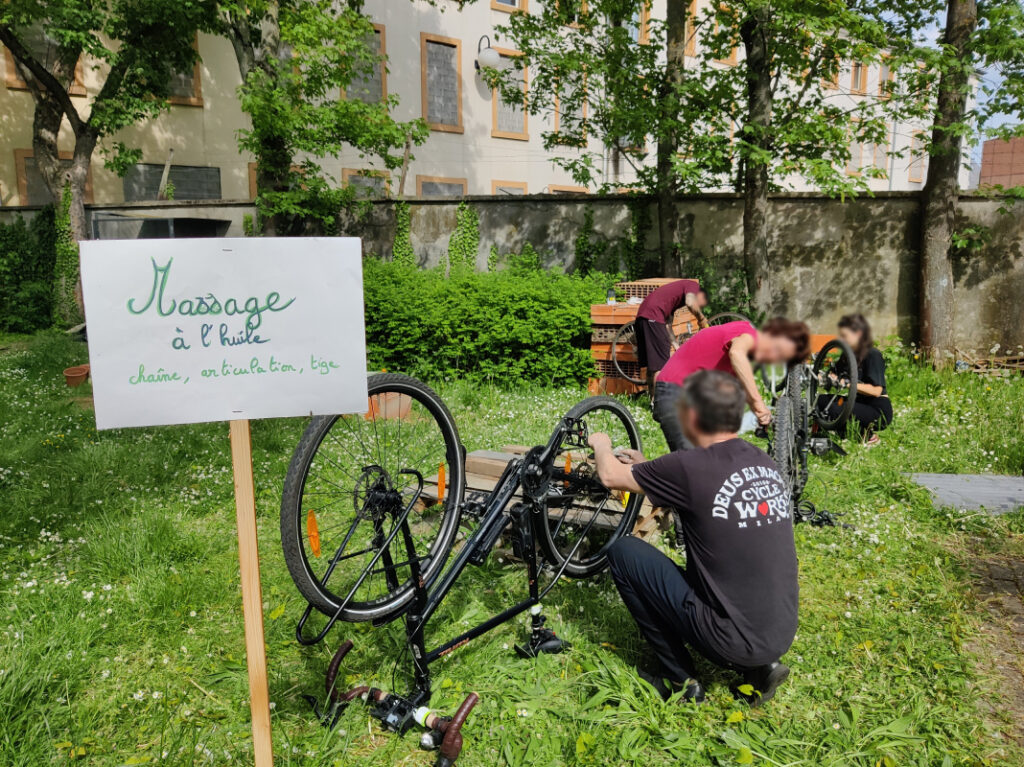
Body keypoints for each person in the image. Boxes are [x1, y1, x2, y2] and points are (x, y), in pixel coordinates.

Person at [588, 370, 797, 706]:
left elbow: (610, 474)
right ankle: (758, 667)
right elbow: (703, 494)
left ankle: (680, 681)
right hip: (780, 631)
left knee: (624, 551)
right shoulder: (762, 461)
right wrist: (650, 469)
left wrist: (602, 445)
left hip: (728, 638)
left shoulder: (690, 466)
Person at [652, 317, 810, 452]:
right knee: (693, 468)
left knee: (709, 461)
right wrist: (758, 403)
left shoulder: (738, 356)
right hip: (677, 395)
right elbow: (736, 353)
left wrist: (760, 413)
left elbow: (742, 387)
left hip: (684, 397)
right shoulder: (748, 332)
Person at [818, 313, 893, 446]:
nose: (842, 339)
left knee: (835, 410)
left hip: (877, 409)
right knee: (821, 401)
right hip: (858, 403)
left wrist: (847, 384)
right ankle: (826, 432)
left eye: (845, 336)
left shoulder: (872, 355)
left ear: (858, 334)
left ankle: (867, 436)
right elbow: (833, 377)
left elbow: (876, 391)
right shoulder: (846, 357)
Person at [633, 279, 710, 390]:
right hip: (653, 317)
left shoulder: (670, 300)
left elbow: (667, 325)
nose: (699, 306)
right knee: (660, 366)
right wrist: (701, 319)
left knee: (652, 366)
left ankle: (653, 402)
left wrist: (676, 346)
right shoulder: (693, 285)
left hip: (642, 318)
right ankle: (659, 403)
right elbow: (690, 303)